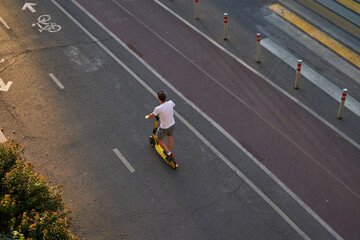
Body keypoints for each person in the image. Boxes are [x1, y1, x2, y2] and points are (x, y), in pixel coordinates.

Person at [145, 91, 175, 160]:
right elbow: (172, 105)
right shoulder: (170, 103)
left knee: (159, 139)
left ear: (159, 99)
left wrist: (147, 117)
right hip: (172, 124)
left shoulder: (158, 108)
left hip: (165, 127)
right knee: (169, 137)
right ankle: (170, 151)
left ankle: (169, 154)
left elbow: (152, 115)